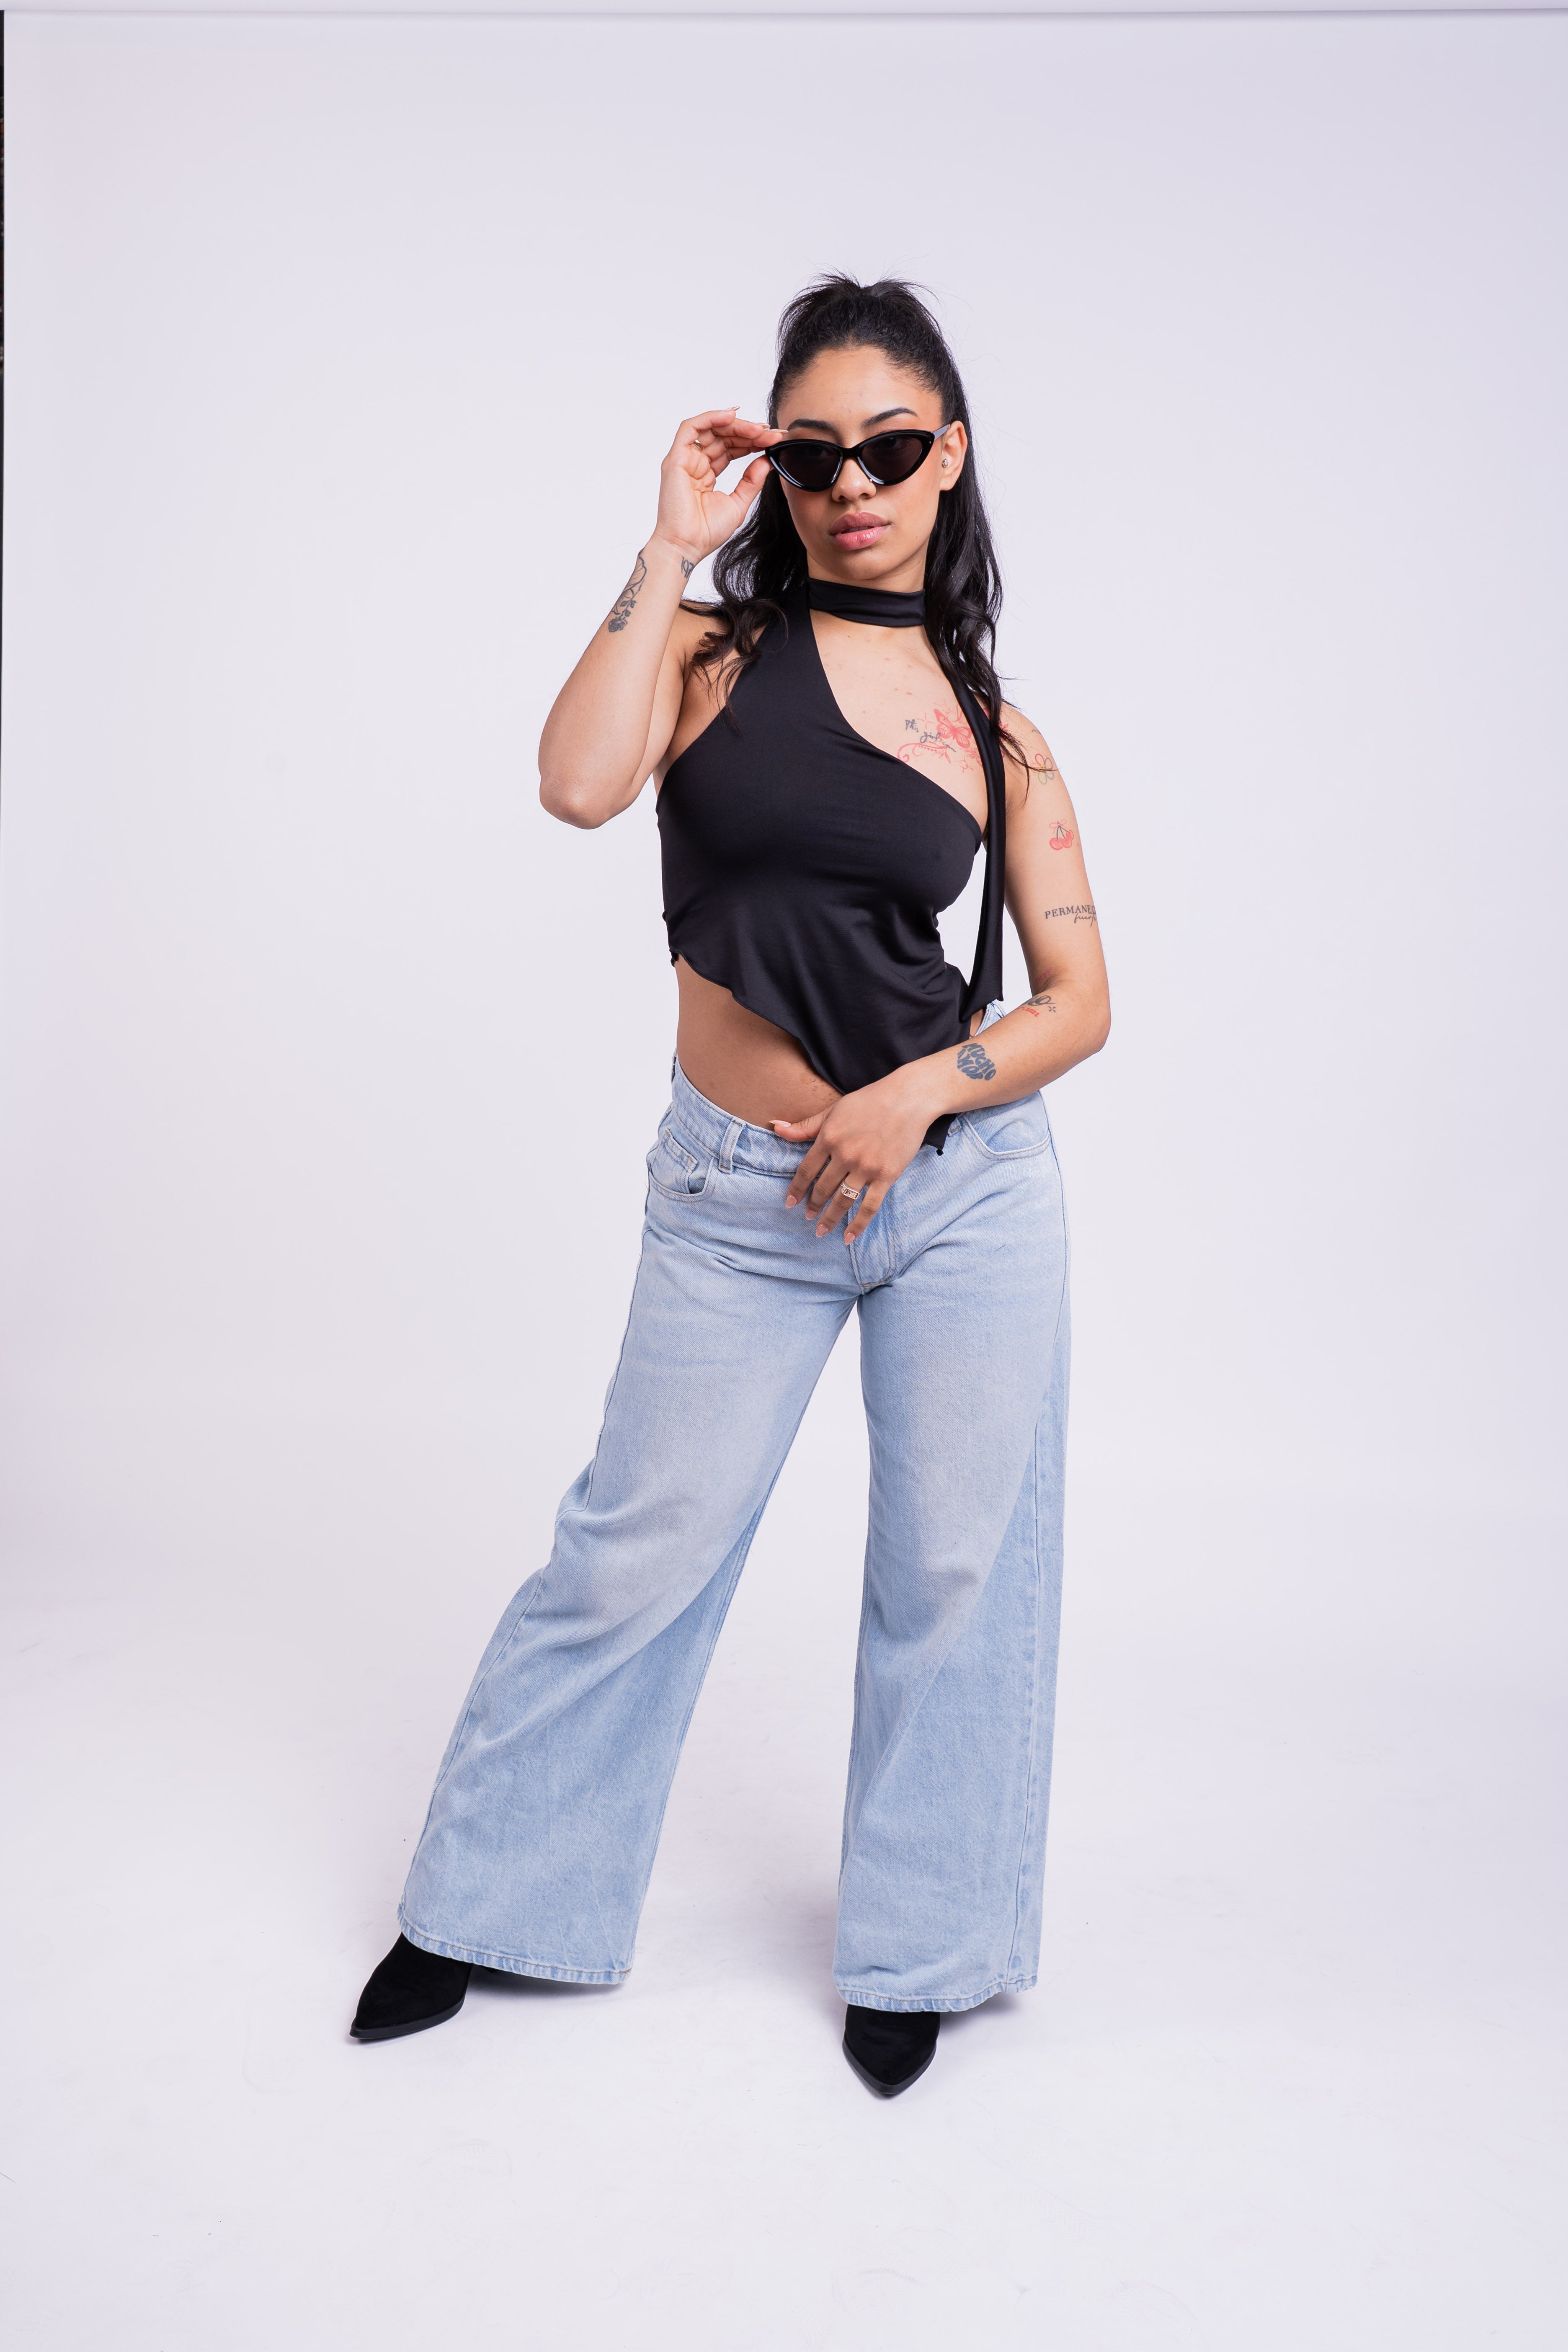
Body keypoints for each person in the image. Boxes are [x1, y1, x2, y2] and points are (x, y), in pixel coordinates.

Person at [351, 276, 1110, 2096]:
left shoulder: (997, 728)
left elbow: (1080, 1001)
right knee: (641, 1542)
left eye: (891, 452)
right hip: (739, 1197)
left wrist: (918, 1097)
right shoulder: (706, 650)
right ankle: (489, 1902)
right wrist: (666, 545)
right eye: (815, 454)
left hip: (961, 1192)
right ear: (776, 467)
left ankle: (926, 1945)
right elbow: (574, 784)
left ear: (950, 458)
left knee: (957, 1566)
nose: (852, 486)